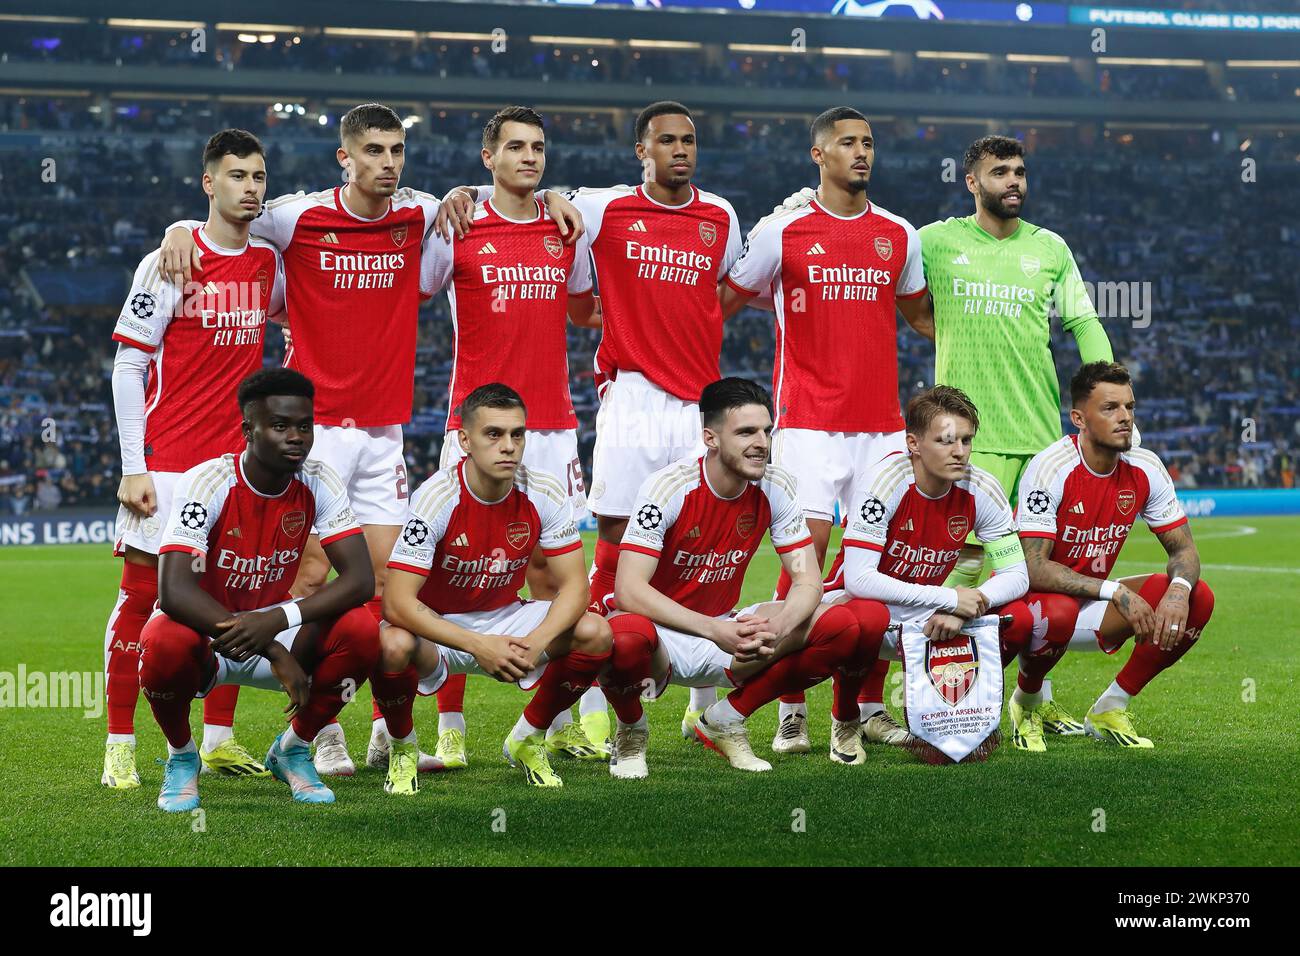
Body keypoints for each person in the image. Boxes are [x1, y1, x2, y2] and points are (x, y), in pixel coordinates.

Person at [155, 103, 583, 776]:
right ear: (344, 158)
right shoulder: (297, 216)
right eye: (374, 151)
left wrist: (539, 193)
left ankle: (381, 726)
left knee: (384, 589)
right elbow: (227, 221)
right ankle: (269, 734)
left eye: (397, 152)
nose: (387, 163)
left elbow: (486, 196)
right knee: (300, 574)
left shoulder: (419, 214)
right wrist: (180, 226)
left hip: (383, 434)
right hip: (313, 433)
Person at [441, 99, 743, 757]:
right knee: (597, 542)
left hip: (696, 402)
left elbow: (726, 291)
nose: (680, 149)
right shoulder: (597, 209)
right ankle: (596, 704)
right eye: (666, 139)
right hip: (629, 396)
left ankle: (704, 704)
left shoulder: (721, 216)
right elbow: (577, 288)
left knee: (704, 537)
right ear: (642, 150)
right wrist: (473, 191)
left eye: (689, 139)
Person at [387, 106, 600, 770]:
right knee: (449, 575)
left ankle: (552, 721)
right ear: (489, 159)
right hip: (470, 424)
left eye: (538, 147)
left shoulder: (566, 228)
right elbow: (412, 294)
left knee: (552, 570)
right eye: (515, 147)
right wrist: (454, 199)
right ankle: (448, 726)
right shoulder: (457, 225)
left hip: (554, 426)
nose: (529, 157)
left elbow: (584, 306)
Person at [718, 107, 933, 754]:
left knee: (880, 569)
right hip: (808, 425)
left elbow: (923, 319)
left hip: (882, 431)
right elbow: (728, 298)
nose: (861, 153)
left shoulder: (899, 235)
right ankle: (791, 710)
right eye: (847, 143)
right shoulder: (783, 231)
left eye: (868, 142)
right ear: (819, 155)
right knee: (800, 564)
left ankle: (864, 707)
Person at [103, 128, 284, 791]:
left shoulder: (270, 261)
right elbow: (129, 366)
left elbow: (303, 321)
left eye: (260, 177)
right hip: (171, 461)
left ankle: (218, 739)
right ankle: (119, 742)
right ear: (210, 183)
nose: (251, 188)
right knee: (142, 597)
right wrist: (133, 465)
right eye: (237, 176)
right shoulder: (169, 262)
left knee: (231, 595)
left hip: (236, 469)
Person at [599, 378, 880, 777]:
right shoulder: (669, 487)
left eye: (767, 430)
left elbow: (808, 582)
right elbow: (627, 590)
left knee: (844, 624)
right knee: (621, 635)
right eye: (746, 432)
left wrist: (780, 627)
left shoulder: (775, 485)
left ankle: (727, 717)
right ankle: (631, 730)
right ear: (710, 438)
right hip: (661, 637)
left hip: (732, 633)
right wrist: (713, 629)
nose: (762, 442)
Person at [138, 368, 380, 810]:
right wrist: (272, 647)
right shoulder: (208, 481)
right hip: (206, 634)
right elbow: (173, 590)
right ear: (248, 430)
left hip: (274, 624)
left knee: (363, 631)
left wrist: (275, 621)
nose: (296, 438)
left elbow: (360, 580)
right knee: (160, 641)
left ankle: (292, 749)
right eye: (280, 426)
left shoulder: (320, 481)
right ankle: (182, 756)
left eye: (304, 426)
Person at [371, 384, 613, 791]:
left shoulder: (544, 491)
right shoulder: (436, 496)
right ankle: (403, 747)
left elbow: (575, 587)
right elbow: (396, 603)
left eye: (517, 434)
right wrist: (478, 645)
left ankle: (527, 737)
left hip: (505, 618)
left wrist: (536, 641)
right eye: (494, 434)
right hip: (439, 628)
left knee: (596, 632)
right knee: (391, 643)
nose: (508, 446)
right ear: (464, 440)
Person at [1013, 362, 1214, 749]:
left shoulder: (1145, 466)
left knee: (1198, 596)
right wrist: (1115, 592)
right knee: (1058, 611)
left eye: (1129, 407)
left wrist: (1178, 589)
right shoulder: (1050, 467)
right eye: (1110, 408)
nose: (1124, 417)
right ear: (1079, 419)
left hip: (1091, 603)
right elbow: (1033, 568)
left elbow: (1183, 549)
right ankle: (1028, 700)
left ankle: (1110, 707)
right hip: (1034, 604)